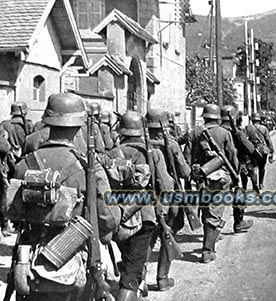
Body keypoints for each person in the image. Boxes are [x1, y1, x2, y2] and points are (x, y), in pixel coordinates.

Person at [8, 93, 121, 301]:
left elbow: (13, 215)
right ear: (79, 126)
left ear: (47, 121)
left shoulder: (25, 164)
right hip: (73, 260)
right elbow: (107, 219)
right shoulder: (88, 167)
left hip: (30, 261)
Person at [111, 110, 174, 300]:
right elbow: (166, 186)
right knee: (132, 270)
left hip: (117, 214)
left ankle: (139, 283)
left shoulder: (113, 152)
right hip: (144, 215)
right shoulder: (152, 154)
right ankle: (133, 286)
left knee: (130, 259)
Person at [185, 103, 238, 263]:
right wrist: (235, 176)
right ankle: (207, 251)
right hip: (220, 178)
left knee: (206, 210)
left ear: (205, 116)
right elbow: (231, 156)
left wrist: (190, 177)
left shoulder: (194, 132)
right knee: (215, 212)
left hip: (200, 177)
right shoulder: (224, 133)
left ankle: (210, 244)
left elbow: (188, 155)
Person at [146, 109, 190, 290]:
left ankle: (139, 279)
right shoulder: (170, 144)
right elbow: (184, 172)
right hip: (167, 197)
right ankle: (162, 278)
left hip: (143, 198)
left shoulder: (140, 143)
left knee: (146, 238)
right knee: (168, 233)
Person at [220, 105, 255, 233]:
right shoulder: (236, 132)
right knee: (238, 194)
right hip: (234, 168)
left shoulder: (216, 131)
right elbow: (249, 148)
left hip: (217, 168)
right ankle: (239, 222)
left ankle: (214, 230)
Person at [246, 112, 274, 190]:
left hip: (252, 150)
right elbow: (268, 140)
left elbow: (245, 140)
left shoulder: (248, 128)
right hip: (262, 150)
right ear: (259, 120)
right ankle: (261, 183)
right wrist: (271, 150)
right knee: (262, 167)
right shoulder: (264, 128)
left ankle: (255, 185)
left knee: (254, 168)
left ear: (252, 120)